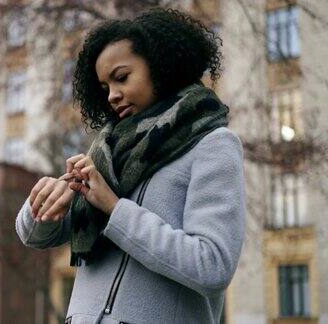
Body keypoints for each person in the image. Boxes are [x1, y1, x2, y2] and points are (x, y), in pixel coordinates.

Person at [15, 7, 246, 324]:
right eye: (105, 87)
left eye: (121, 78)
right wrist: (45, 202)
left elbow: (212, 265)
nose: (111, 95)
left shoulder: (213, 145)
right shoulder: (109, 150)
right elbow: (34, 236)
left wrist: (116, 209)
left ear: (161, 66)